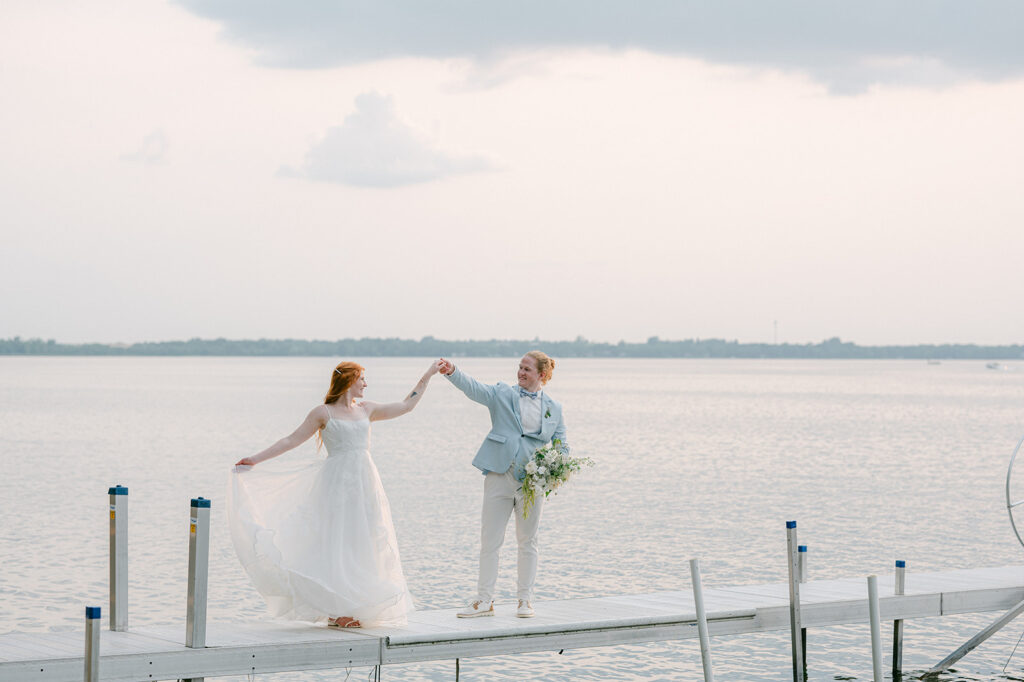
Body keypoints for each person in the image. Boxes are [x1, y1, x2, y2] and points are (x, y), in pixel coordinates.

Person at [229, 359, 443, 628]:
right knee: (335, 543)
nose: (366, 384)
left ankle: (350, 607)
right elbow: (291, 440)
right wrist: (256, 459)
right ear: (350, 380)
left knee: (360, 542)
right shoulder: (323, 413)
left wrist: (429, 374)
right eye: (362, 379)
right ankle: (338, 610)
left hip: (365, 483)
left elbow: (406, 406)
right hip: (335, 485)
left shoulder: (367, 409)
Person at [439, 351, 569, 619]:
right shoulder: (501, 393)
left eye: (527, 369)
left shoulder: (554, 408)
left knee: (528, 541)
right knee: (490, 541)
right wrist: (452, 371)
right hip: (499, 474)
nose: (521, 372)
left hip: (533, 482)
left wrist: (556, 469)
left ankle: (525, 600)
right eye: (520, 367)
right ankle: (484, 600)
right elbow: (474, 389)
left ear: (542, 375)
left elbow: (561, 444)